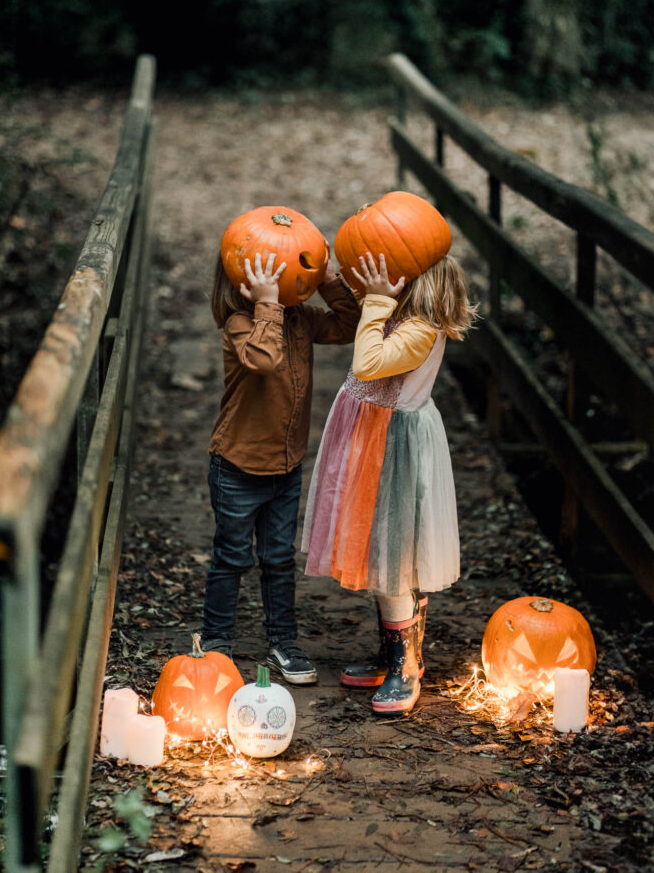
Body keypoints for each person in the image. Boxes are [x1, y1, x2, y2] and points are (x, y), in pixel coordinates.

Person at [302, 249, 477, 712]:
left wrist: (378, 301)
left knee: (392, 555)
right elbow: (360, 311)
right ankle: (394, 652)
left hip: (393, 448)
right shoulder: (399, 312)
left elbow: (367, 363)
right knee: (377, 553)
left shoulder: (420, 328)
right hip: (370, 440)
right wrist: (330, 279)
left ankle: (405, 666)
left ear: (414, 281)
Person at [201, 244, 361, 684]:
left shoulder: (301, 319)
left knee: (278, 559)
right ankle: (215, 645)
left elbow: (349, 324)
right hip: (237, 467)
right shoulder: (239, 324)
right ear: (243, 281)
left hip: (285, 468)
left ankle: (282, 643)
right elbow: (264, 360)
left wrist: (327, 279)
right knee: (231, 558)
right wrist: (267, 303)